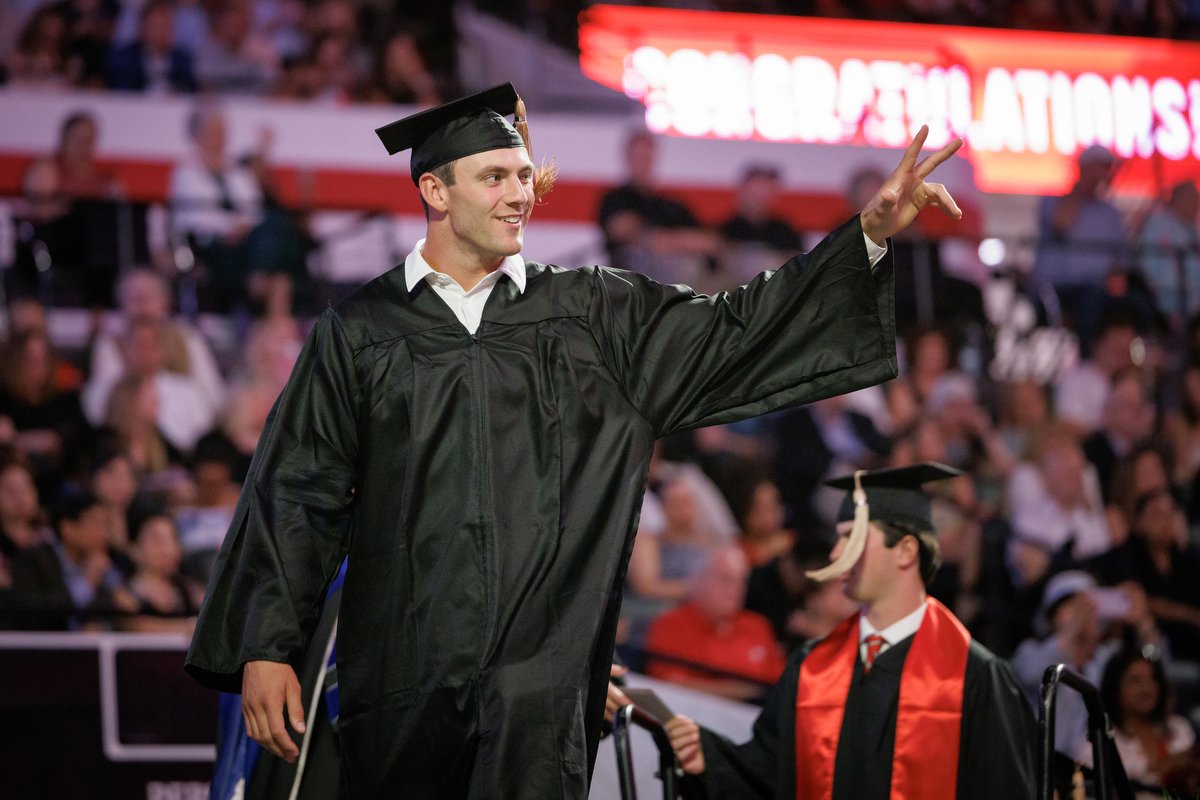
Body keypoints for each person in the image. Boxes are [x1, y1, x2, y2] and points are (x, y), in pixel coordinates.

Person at [185, 82, 965, 798]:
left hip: (537, 691)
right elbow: (298, 489)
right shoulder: (362, 332)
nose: (519, 193)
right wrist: (267, 646)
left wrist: (863, 238)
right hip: (402, 679)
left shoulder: (594, 317)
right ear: (435, 190)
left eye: (524, 176)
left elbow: (736, 330)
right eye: (494, 177)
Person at [664, 463, 1037, 800]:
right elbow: (767, 778)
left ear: (905, 551)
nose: (835, 553)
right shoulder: (813, 667)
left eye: (853, 538)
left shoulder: (974, 676)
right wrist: (706, 757)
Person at [643, 546, 786, 701]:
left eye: (741, 581)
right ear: (699, 580)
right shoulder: (670, 624)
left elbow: (777, 686)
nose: (735, 589)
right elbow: (669, 685)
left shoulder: (758, 626)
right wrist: (743, 689)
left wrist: (705, 686)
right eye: (725, 579)